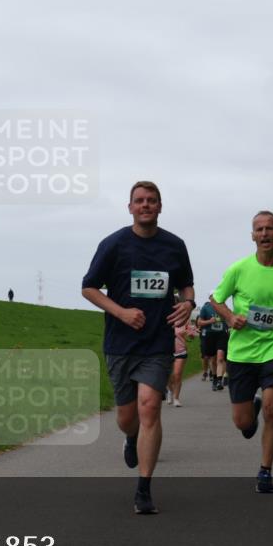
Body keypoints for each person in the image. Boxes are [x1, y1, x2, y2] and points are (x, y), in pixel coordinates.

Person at [82, 180, 195, 514]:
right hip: (120, 343)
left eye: (152, 200)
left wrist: (188, 304)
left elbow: (186, 286)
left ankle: (144, 488)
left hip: (158, 343)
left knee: (150, 407)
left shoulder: (175, 246)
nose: (146, 205)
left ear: (160, 207)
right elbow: (88, 287)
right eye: (139, 200)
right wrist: (121, 312)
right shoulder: (113, 245)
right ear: (129, 207)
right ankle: (130, 438)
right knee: (127, 417)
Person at [209, 211, 273, 494]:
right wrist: (230, 318)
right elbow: (215, 299)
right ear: (252, 236)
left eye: (270, 229)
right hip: (242, 352)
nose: (265, 234)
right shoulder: (239, 269)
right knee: (242, 422)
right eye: (259, 229)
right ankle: (249, 411)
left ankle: (265, 471)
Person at [196, 299, 229, 391]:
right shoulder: (206, 308)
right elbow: (199, 322)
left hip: (222, 335)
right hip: (210, 335)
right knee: (213, 360)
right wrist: (210, 321)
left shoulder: (224, 307)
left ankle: (219, 380)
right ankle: (214, 378)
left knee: (220, 358)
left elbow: (230, 320)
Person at [166, 321, 198, 407]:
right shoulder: (166, 318)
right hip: (166, 352)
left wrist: (190, 335)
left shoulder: (185, 321)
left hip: (181, 351)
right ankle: (170, 390)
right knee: (168, 375)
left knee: (177, 374)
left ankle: (176, 398)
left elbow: (192, 337)